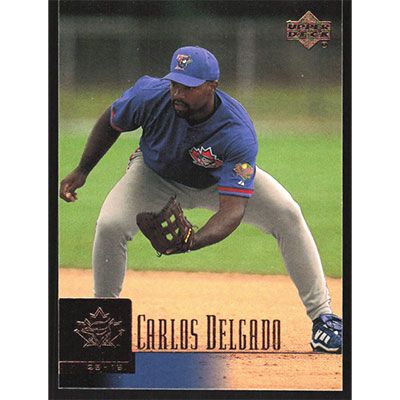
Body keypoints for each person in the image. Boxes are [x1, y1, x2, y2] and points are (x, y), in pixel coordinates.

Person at [60, 46, 342, 353]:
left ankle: (323, 318)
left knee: (287, 213)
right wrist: (83, 169)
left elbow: (232, 210)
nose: (178, 93)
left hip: (216, 181)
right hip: (154, 174)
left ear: (212, 87)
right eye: (175, 84)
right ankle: (104, 323)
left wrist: (193, 241)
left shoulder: (236, 131)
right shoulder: (150, 95)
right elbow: (111, 121)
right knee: (110, 224)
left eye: (188, 87)